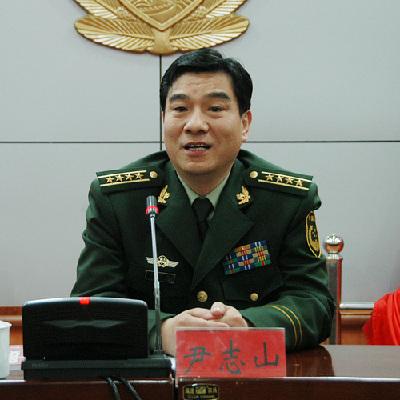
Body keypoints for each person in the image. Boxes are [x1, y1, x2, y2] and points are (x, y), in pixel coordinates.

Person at [71, 48, 334, 355]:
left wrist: (248, 326)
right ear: (164, 119)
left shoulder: (286, 200)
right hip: (152, 378)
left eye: (215, 108)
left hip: (250, 372)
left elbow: (313, 303)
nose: (195, 124)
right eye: (180, 109)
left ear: (245, 123)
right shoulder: (118, 200)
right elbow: (91, 305)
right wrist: (160, 332)